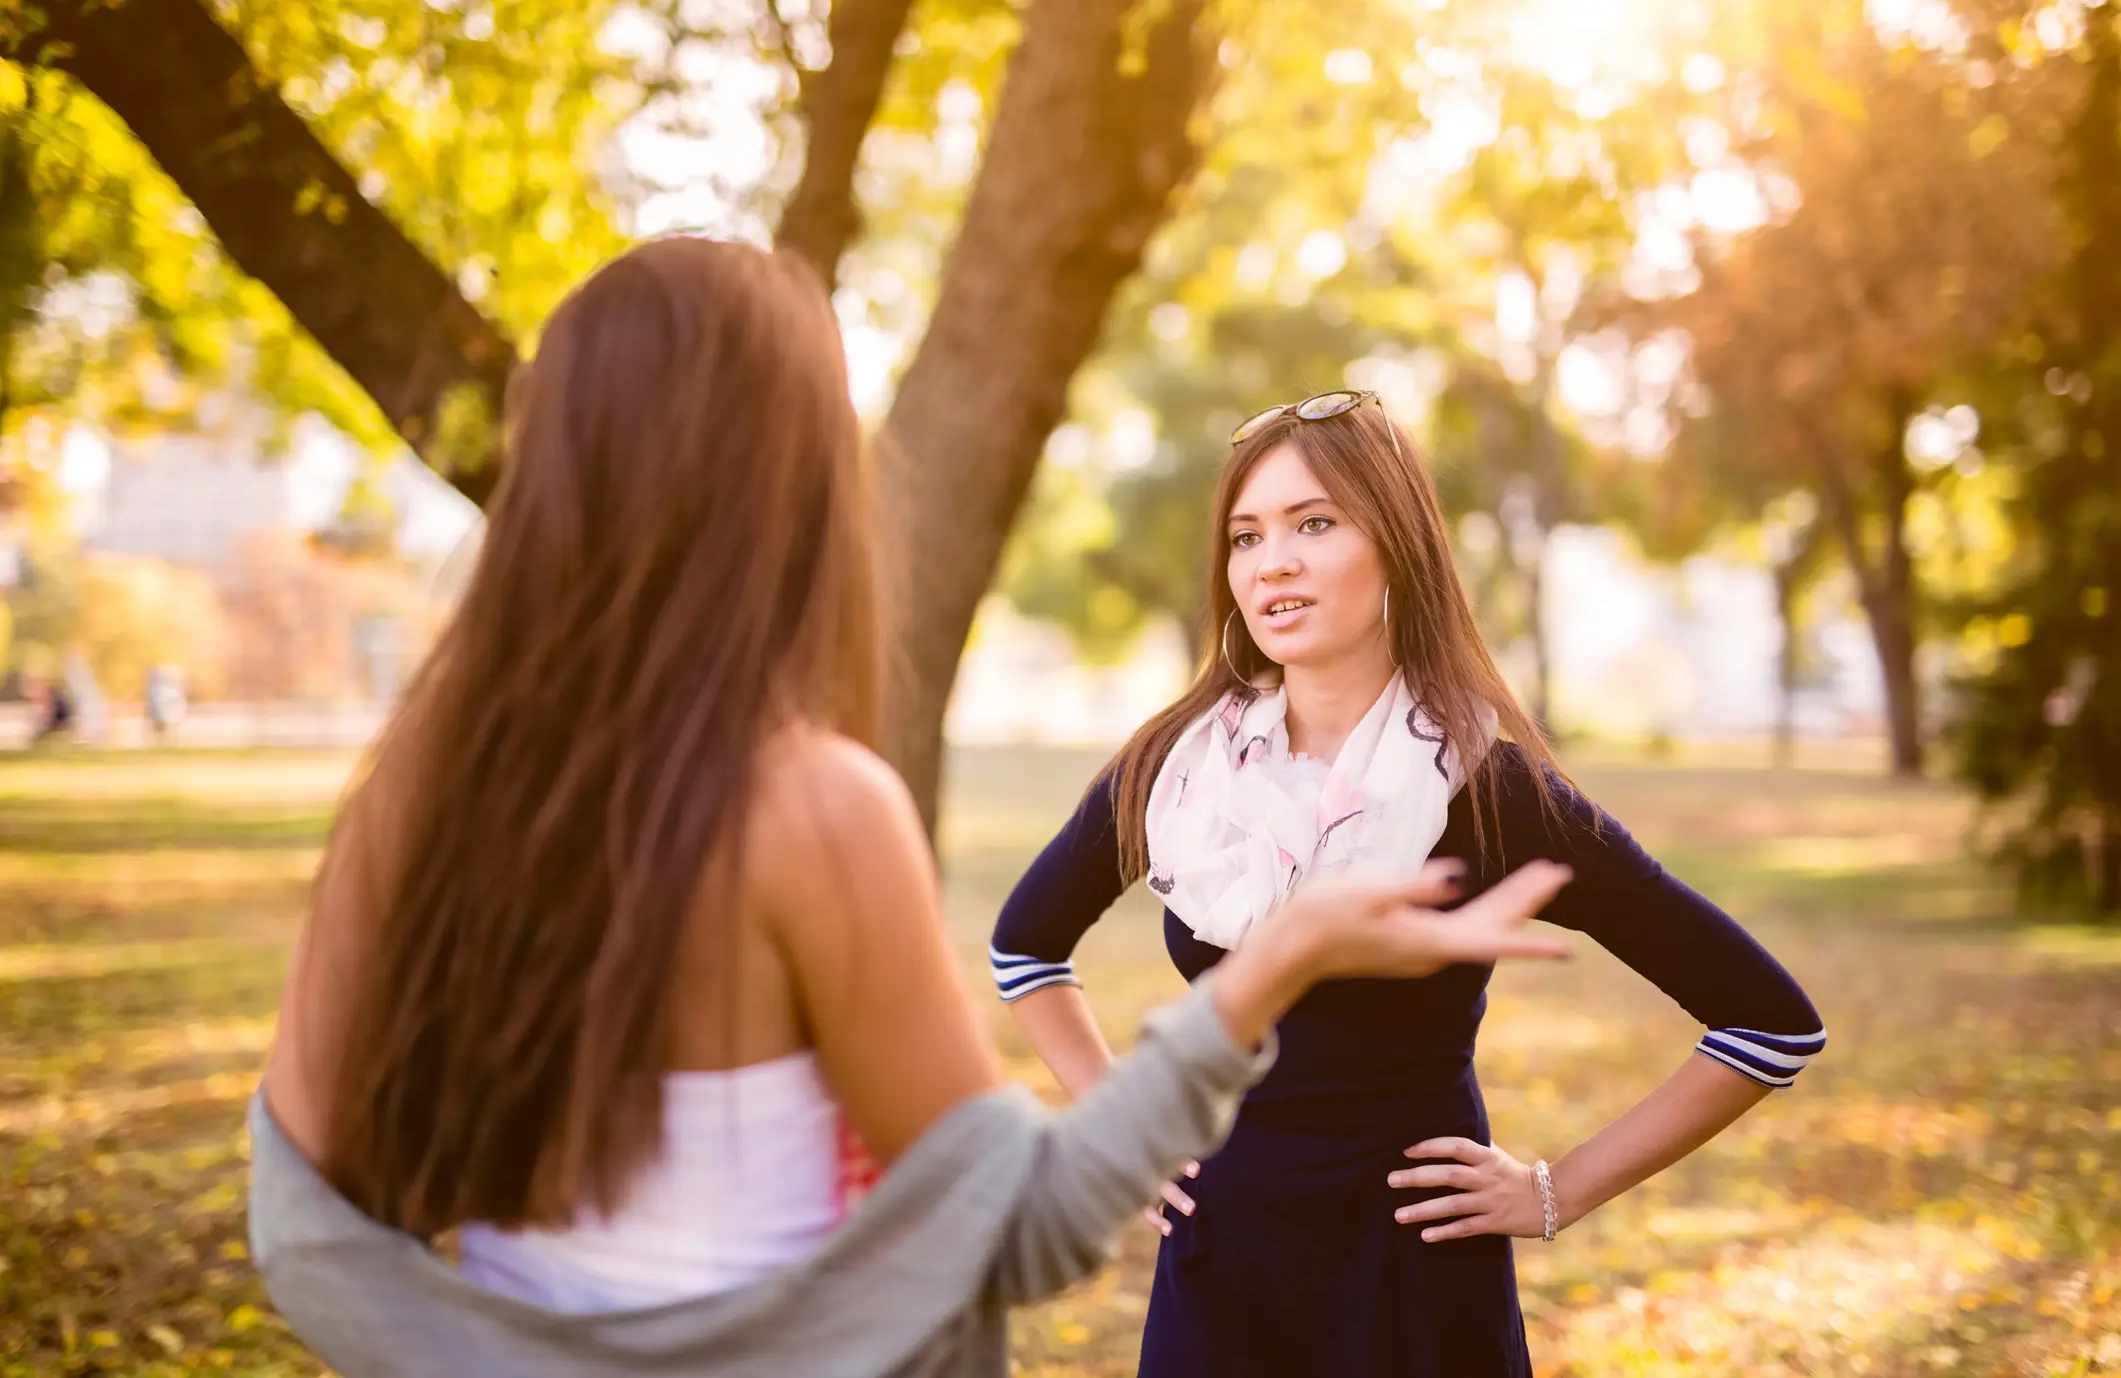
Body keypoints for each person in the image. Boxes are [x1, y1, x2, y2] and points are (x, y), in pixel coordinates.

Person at [246, 242, 1582, 1378]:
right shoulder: (810, 811)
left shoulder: (408, 804)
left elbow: (305, 1234)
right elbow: (1023, 1229)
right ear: (789, 482)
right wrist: (1278, 963)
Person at [991, 389, 1828, 1378]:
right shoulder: (1177, 770)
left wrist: (1555, 1191)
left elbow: (1768, 1024)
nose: (1272, 562)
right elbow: (1025, 949)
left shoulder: (1492, 788)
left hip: (1415, 1288)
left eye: (1314, 524)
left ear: (1395, 543)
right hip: (1218, 1279)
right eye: (1246, 536)